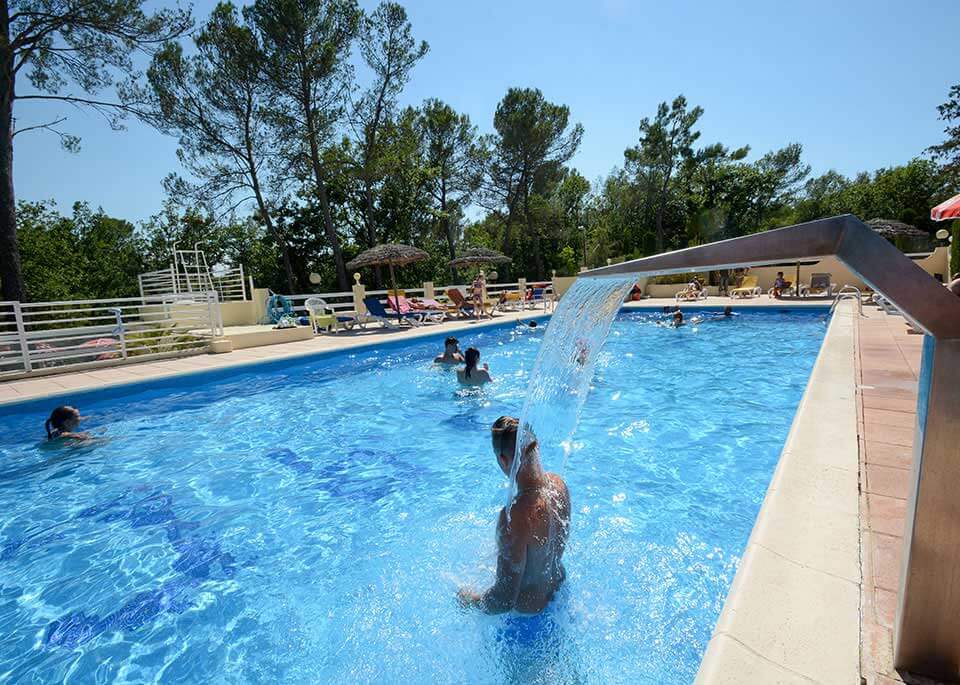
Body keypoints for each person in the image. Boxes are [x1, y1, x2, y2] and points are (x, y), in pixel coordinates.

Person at [458, 417, 571, 614]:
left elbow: (503, 600)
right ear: (536, 446)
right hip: (559, 593)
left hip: (528, 618)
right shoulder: (559, 485)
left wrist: (469, 600)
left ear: (503, 459)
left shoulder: (513, 518)